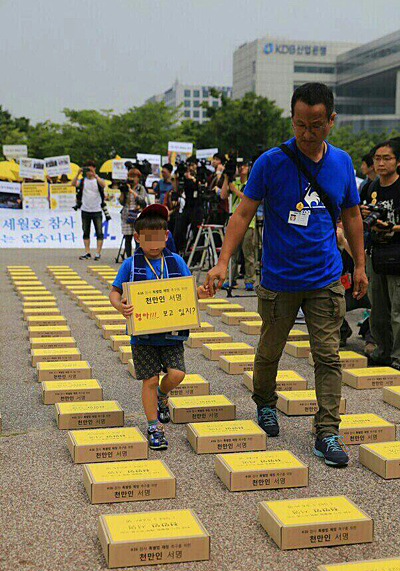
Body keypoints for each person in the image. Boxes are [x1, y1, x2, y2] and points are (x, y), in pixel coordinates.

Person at [205, 82, 368, 468]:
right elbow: (242, 213)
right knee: (269, 350)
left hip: (325, 277)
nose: (307, 134)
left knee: (328, 356)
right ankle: (264, 403)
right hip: (279, 280)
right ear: (291, 120)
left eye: (315, 125)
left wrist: (359, 264)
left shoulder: (342, 162)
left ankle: (327, 431)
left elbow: (352, 216)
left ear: (331, 120)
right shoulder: (270, 162)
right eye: (299, 125)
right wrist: (222, 261)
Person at [109, 204, 211, 450]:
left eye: (159, 237)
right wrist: (119, 307)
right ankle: (154, 425)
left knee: (177, 375)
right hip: (143, 336)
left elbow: (188, 291)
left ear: (166, 236)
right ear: (137, 238)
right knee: (150, 379)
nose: (154, 243)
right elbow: (114, 292)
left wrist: (202, 292)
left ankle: (163, 397)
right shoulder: (130, 265)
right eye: (148, 238)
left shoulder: (175, 262)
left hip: (172, 335)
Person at [361, 140, 400, 371]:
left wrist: (390, 228)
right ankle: (382, 352)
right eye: (377, 158)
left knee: (397, 310)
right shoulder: (370, 187)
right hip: (376, 254)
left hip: (397, 253)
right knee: (378, 310)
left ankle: (397, 357)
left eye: (387, 158)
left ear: (398, 161)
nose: (381, 163)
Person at [220, 161, 256, 291]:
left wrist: (234, 189)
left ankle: (250, 279)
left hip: (249, 223)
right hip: (234, 222)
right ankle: (231, 278)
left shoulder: (251, 183)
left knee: (248, 253)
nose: (242, 168)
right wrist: (226, 179)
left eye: (244, 166)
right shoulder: (234, 183)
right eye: (239, 166)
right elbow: (223, 195)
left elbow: (246, 198)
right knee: (232, 253)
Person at [71, 160, 110, 260]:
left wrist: (95, 175)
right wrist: (78, 173)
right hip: (85, 209)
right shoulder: (82, 181)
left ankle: (98, 252)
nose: (89, 171)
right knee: (85, 231)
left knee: (99, 232)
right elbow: (73, 183)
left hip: (97, 210)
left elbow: (103, 185)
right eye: (87, 169)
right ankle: (87, 252)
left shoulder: (97, 180)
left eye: (90, 168)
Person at [173, 158, 204, 254]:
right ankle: (179, 250)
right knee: (180, 230)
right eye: (189, 165)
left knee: (196, 231)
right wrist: (176, 178)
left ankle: (195, 255)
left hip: (197, 207)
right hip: (187, 207)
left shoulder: (200, 176)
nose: (190, 168)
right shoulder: (185, 179)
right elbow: (177, 189)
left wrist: (193, 180)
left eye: (192, 165)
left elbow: (198, 188)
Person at [119, 168, 148, 258]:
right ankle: (128, 257)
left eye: (134, 176)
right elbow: (121, 202)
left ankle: (137, 257)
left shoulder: (140, 188)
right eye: (130, 176)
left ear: (138, 178)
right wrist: (123, 192)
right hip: (126, 215)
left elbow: (142, 201)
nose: (132, 178)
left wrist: (132, 192)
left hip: (137, 215)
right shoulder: (126, 187)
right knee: (127, 238)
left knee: (137, 238)